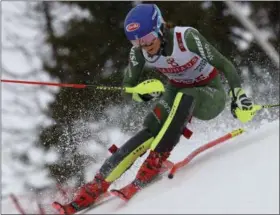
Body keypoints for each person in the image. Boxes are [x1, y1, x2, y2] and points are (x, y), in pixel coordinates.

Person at [52, 3, 255, 214]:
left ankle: (154, 161)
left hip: (210, 93)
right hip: (176, 91)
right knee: (151, 127)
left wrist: (238, 95)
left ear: (160, 28)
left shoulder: (185, 38)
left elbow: (225, 65)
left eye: (148, 39)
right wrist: (140, 92)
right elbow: (127, 88)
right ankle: (96, 185)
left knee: (186, 94)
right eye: (136, 41)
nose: (144, 46)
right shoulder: (139, 52)